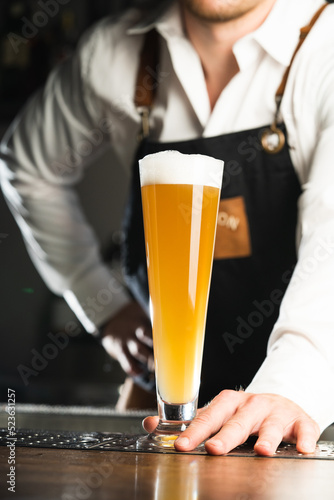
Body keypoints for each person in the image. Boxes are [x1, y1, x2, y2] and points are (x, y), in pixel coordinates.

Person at [1, 0, 334, 456]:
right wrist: (99, 300)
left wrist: (292, 384)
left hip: (303, 413)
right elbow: (27, 166)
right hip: (159, 412)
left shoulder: (325, 44)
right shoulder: (114, 53)